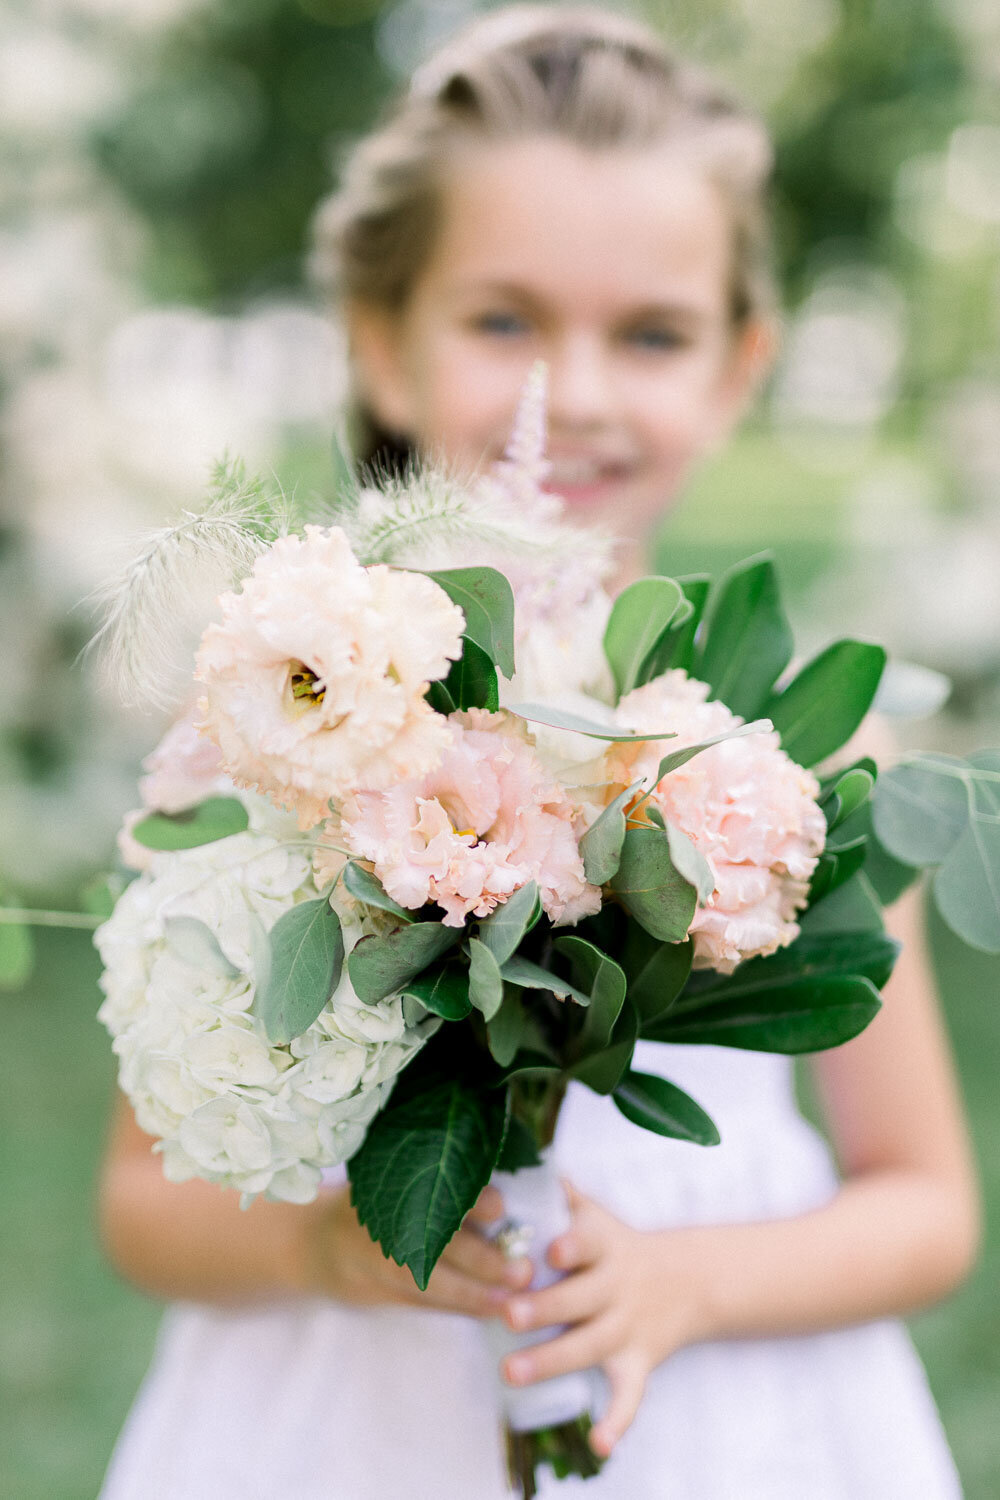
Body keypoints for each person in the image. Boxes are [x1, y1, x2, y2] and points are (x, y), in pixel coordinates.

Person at [97, 8, 980, 1497]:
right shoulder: (273, 736)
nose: (570, 389)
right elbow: (139, 1208)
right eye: (504, 320)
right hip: (346, 1426)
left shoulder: (801, 762)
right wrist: (327, 1241)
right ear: (382, 338)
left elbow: (927, 1205)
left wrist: (692, 1282)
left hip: (721, 1422)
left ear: (737, 360)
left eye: (651, 332)